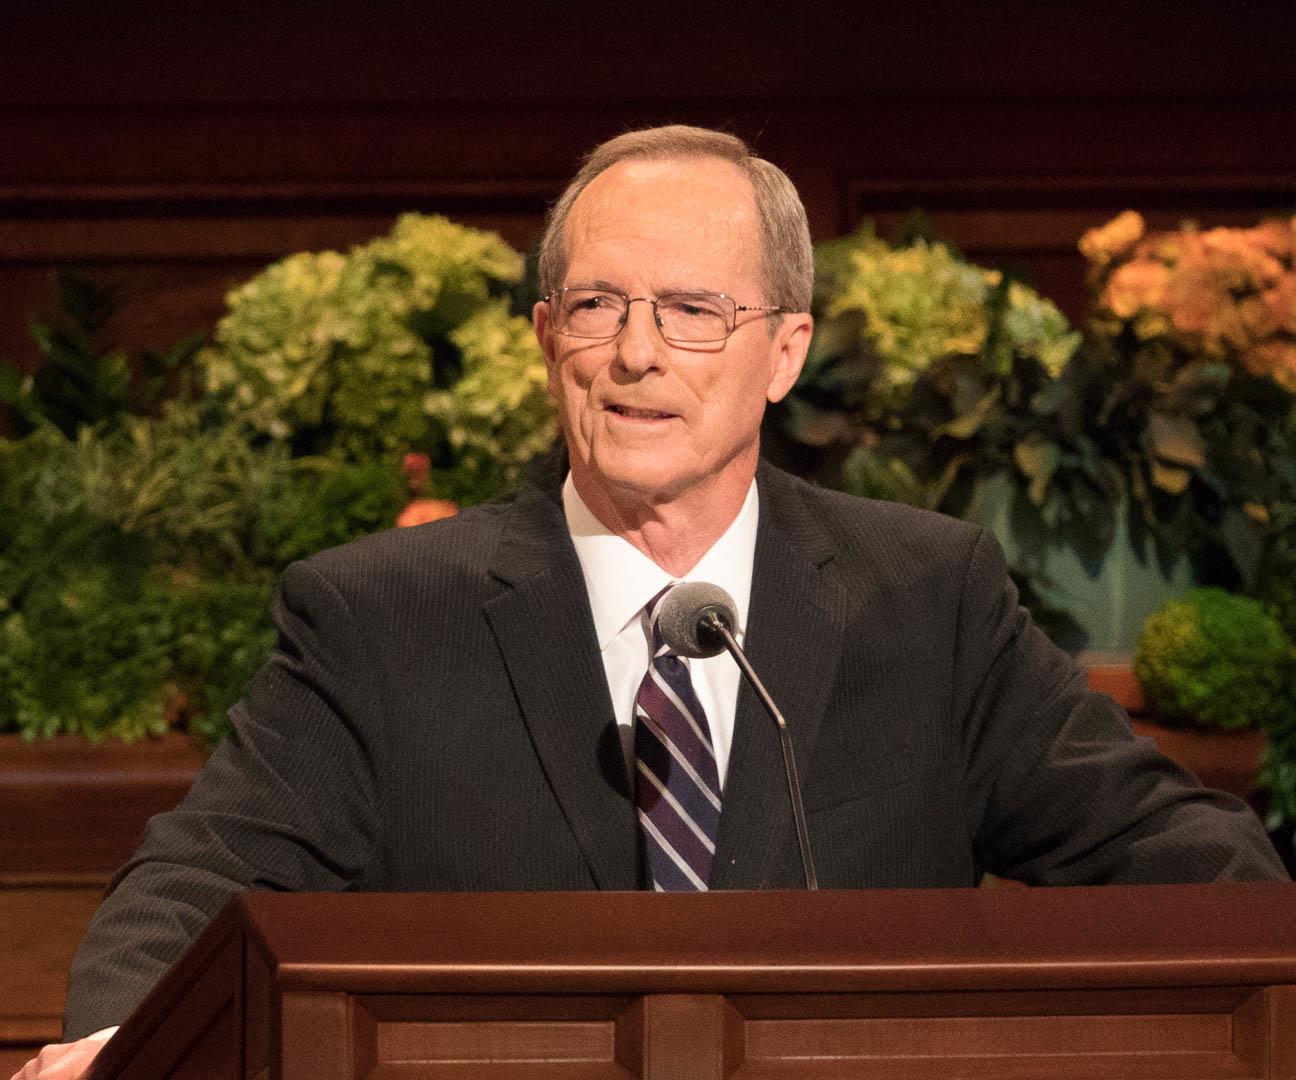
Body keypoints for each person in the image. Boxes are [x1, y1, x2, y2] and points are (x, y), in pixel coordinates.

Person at [14, 124, 1286, 1080]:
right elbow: (201, 878)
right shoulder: (382, 619)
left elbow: (1164, 850)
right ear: (543, 336)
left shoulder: (925, 599)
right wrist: (118, 1049)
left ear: (782, 351)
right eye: (600, 307)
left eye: (691, 312)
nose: (635, 354)